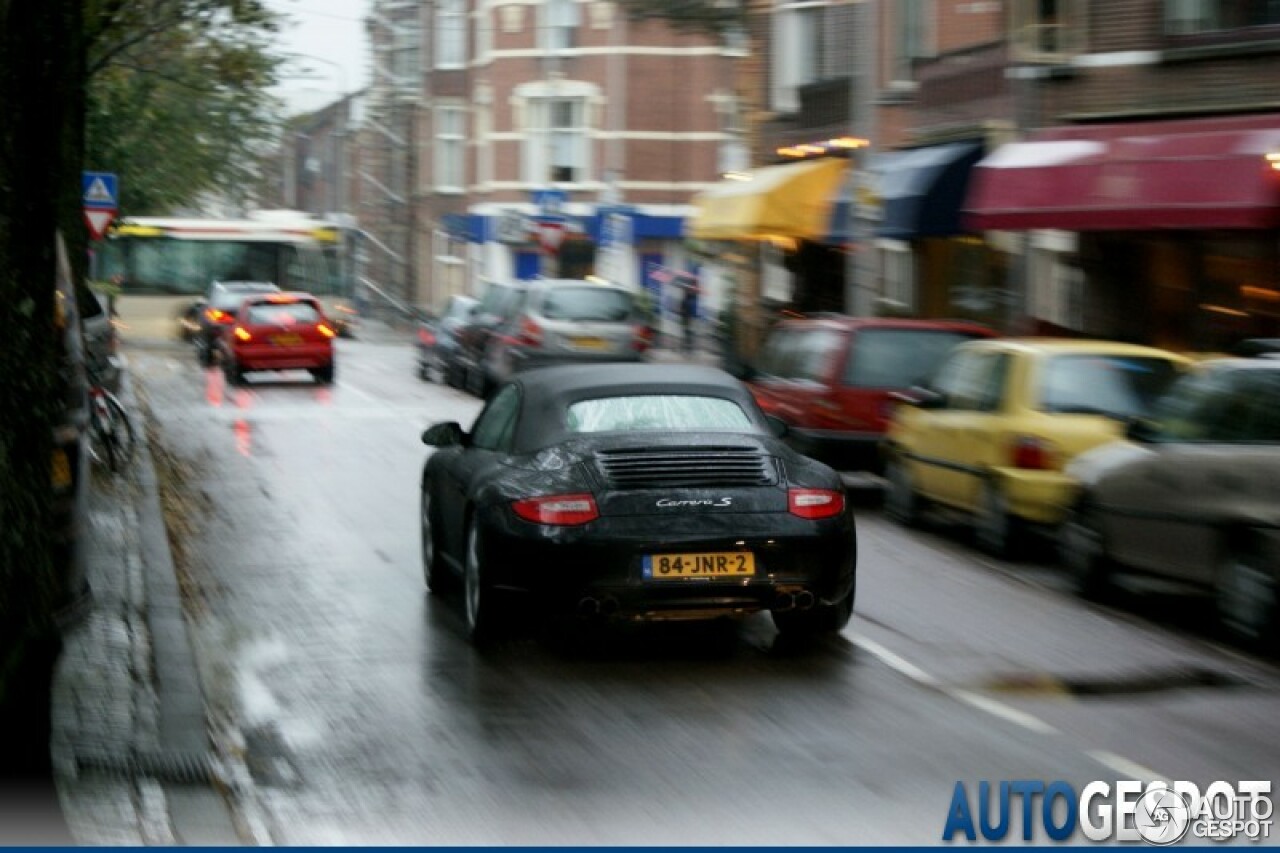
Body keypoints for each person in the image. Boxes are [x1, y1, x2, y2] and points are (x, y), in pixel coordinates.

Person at [678, 273, 699, 354]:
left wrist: (681, 309)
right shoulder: (692, 291)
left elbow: (684, 302)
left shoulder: (691, 292)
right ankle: (687, 346)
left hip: (688, 314)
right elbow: (684, 302)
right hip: (688, 314)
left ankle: (687, 346)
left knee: (687, 331)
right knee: (687, 331)